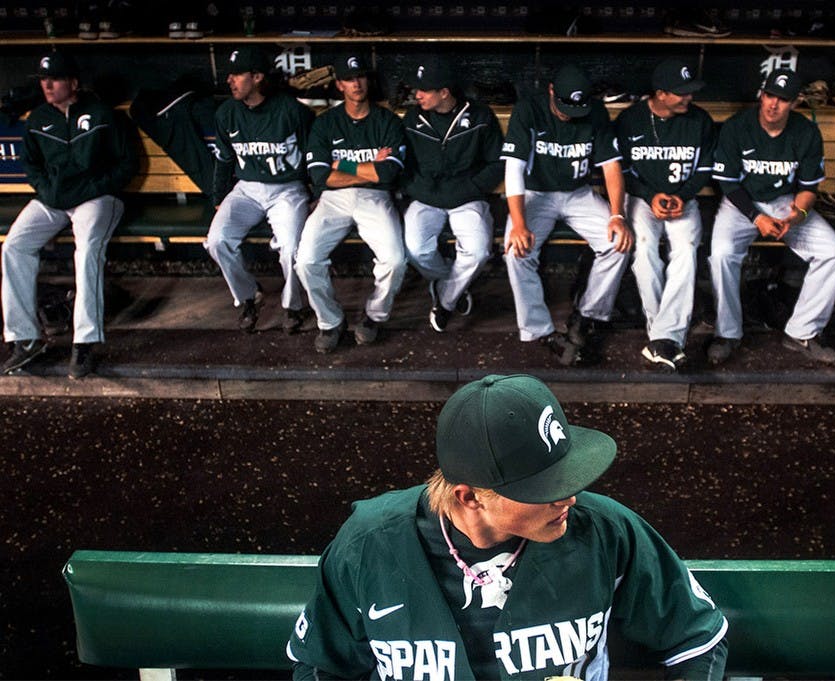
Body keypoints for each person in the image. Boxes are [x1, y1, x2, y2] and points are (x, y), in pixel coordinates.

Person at [287, 373, 729, 680]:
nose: (569, 498)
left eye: (565, 476)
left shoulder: (604, 530)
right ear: (471, 496)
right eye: (542, 488)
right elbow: (320, 664)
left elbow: (699, 639)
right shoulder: (369, 546)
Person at [1, 51, 138, 379]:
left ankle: (84, 342)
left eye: (56, 79)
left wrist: (98, 187)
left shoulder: (101, 114)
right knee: (13, 247)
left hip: (97, 199)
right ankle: (24, 338)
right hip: (53, 201)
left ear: (73, 83)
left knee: (88, 249)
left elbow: (127, 164)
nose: (48, 85)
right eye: (44, 79)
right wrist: (46, 191)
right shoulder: (37, 119)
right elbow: (31, 165)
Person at [708, 68, 835, 366]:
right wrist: (756, 218)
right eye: (769, 95)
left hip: (785, 203)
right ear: (761, 95)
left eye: (782, 99)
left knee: (834, 252)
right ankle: (727, 333)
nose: (773, 104)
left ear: (795, 102)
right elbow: (729, 183)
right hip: (741, 202)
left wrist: (796, 216)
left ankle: (803, 331)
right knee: (721, 254)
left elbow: (809, 188)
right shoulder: (737, 127)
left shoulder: (806, 132)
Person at [501, 64, 634, 365]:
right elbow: (514, 169)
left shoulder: (595, 112)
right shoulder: (529, 109)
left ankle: (587, 315)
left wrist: (617, 216)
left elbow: (611, 166)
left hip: (578, 194)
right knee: (516, 251)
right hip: (536, 193)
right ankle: (540, 330)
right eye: (563, 107)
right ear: (551, 91)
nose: (568, 114)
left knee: (618, 243)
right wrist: (519, 224)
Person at [295, 53, 406, 352]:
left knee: (395, 260)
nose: (356, 84)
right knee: (305, 261)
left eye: (360, 77)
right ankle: (330, 321)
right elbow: (319, 177)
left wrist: (340, 166)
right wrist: (369, 169)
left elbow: (389, 172)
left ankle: (373, 315)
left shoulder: (387, 121)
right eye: (349, 79)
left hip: (377, 197)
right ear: (339, 85)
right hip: (332, 200)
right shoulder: (326, 124)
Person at [615, 59, 716, 370]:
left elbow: (705, 169)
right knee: (643, 248)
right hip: (643, 198)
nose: (689, 97)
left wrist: (683, 196)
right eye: (681, 93)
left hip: (684, 199)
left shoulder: (700, 120)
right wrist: (649, 195)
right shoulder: (631, 119)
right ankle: (665, 336)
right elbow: (622, 170)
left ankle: (664, 337)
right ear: (660, 94)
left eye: (690, 91)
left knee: (685, 251)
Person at [206, 45, 314, 334]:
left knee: (291, 247)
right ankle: (248, 296)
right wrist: (219, 199)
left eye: (237, 75)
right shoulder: (227, 112)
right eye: (229, 75)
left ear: (256, 77)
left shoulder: (292, 111)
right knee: (217, 240)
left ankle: (292, 306)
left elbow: (314, 157)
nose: (230, 80)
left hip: (287, 189)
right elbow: (225, 159)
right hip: (246, 189)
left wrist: (315, 195)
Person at [401, 57, 504, 333]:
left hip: (467, 196)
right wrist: (419, 189)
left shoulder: (480, 116)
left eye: (425, 90)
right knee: (414, 248)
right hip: (426, 197)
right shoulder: (413, 119)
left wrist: (471, 189)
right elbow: (403, 166)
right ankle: (451, 284)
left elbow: (497, 163)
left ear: (444, 92)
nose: (417, 95)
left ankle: (446, 301)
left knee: (479, 251)